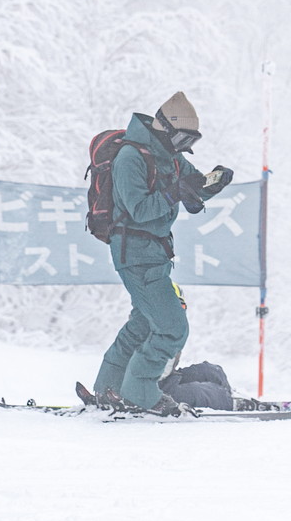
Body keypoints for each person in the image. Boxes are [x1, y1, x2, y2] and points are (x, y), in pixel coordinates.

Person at [91, 91, 233, 415]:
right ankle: (139, 390)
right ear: (165, 128)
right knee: (173, 327)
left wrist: (209, 184)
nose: (185, 146)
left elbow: (189, 187)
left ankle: (107, 388)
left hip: (154, 253)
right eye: (183, 137)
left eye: (190, 140)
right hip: (135, 252)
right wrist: (175, 192)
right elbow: (138, 209)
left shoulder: (168, 155)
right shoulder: (131, 158)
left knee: (143, 323)